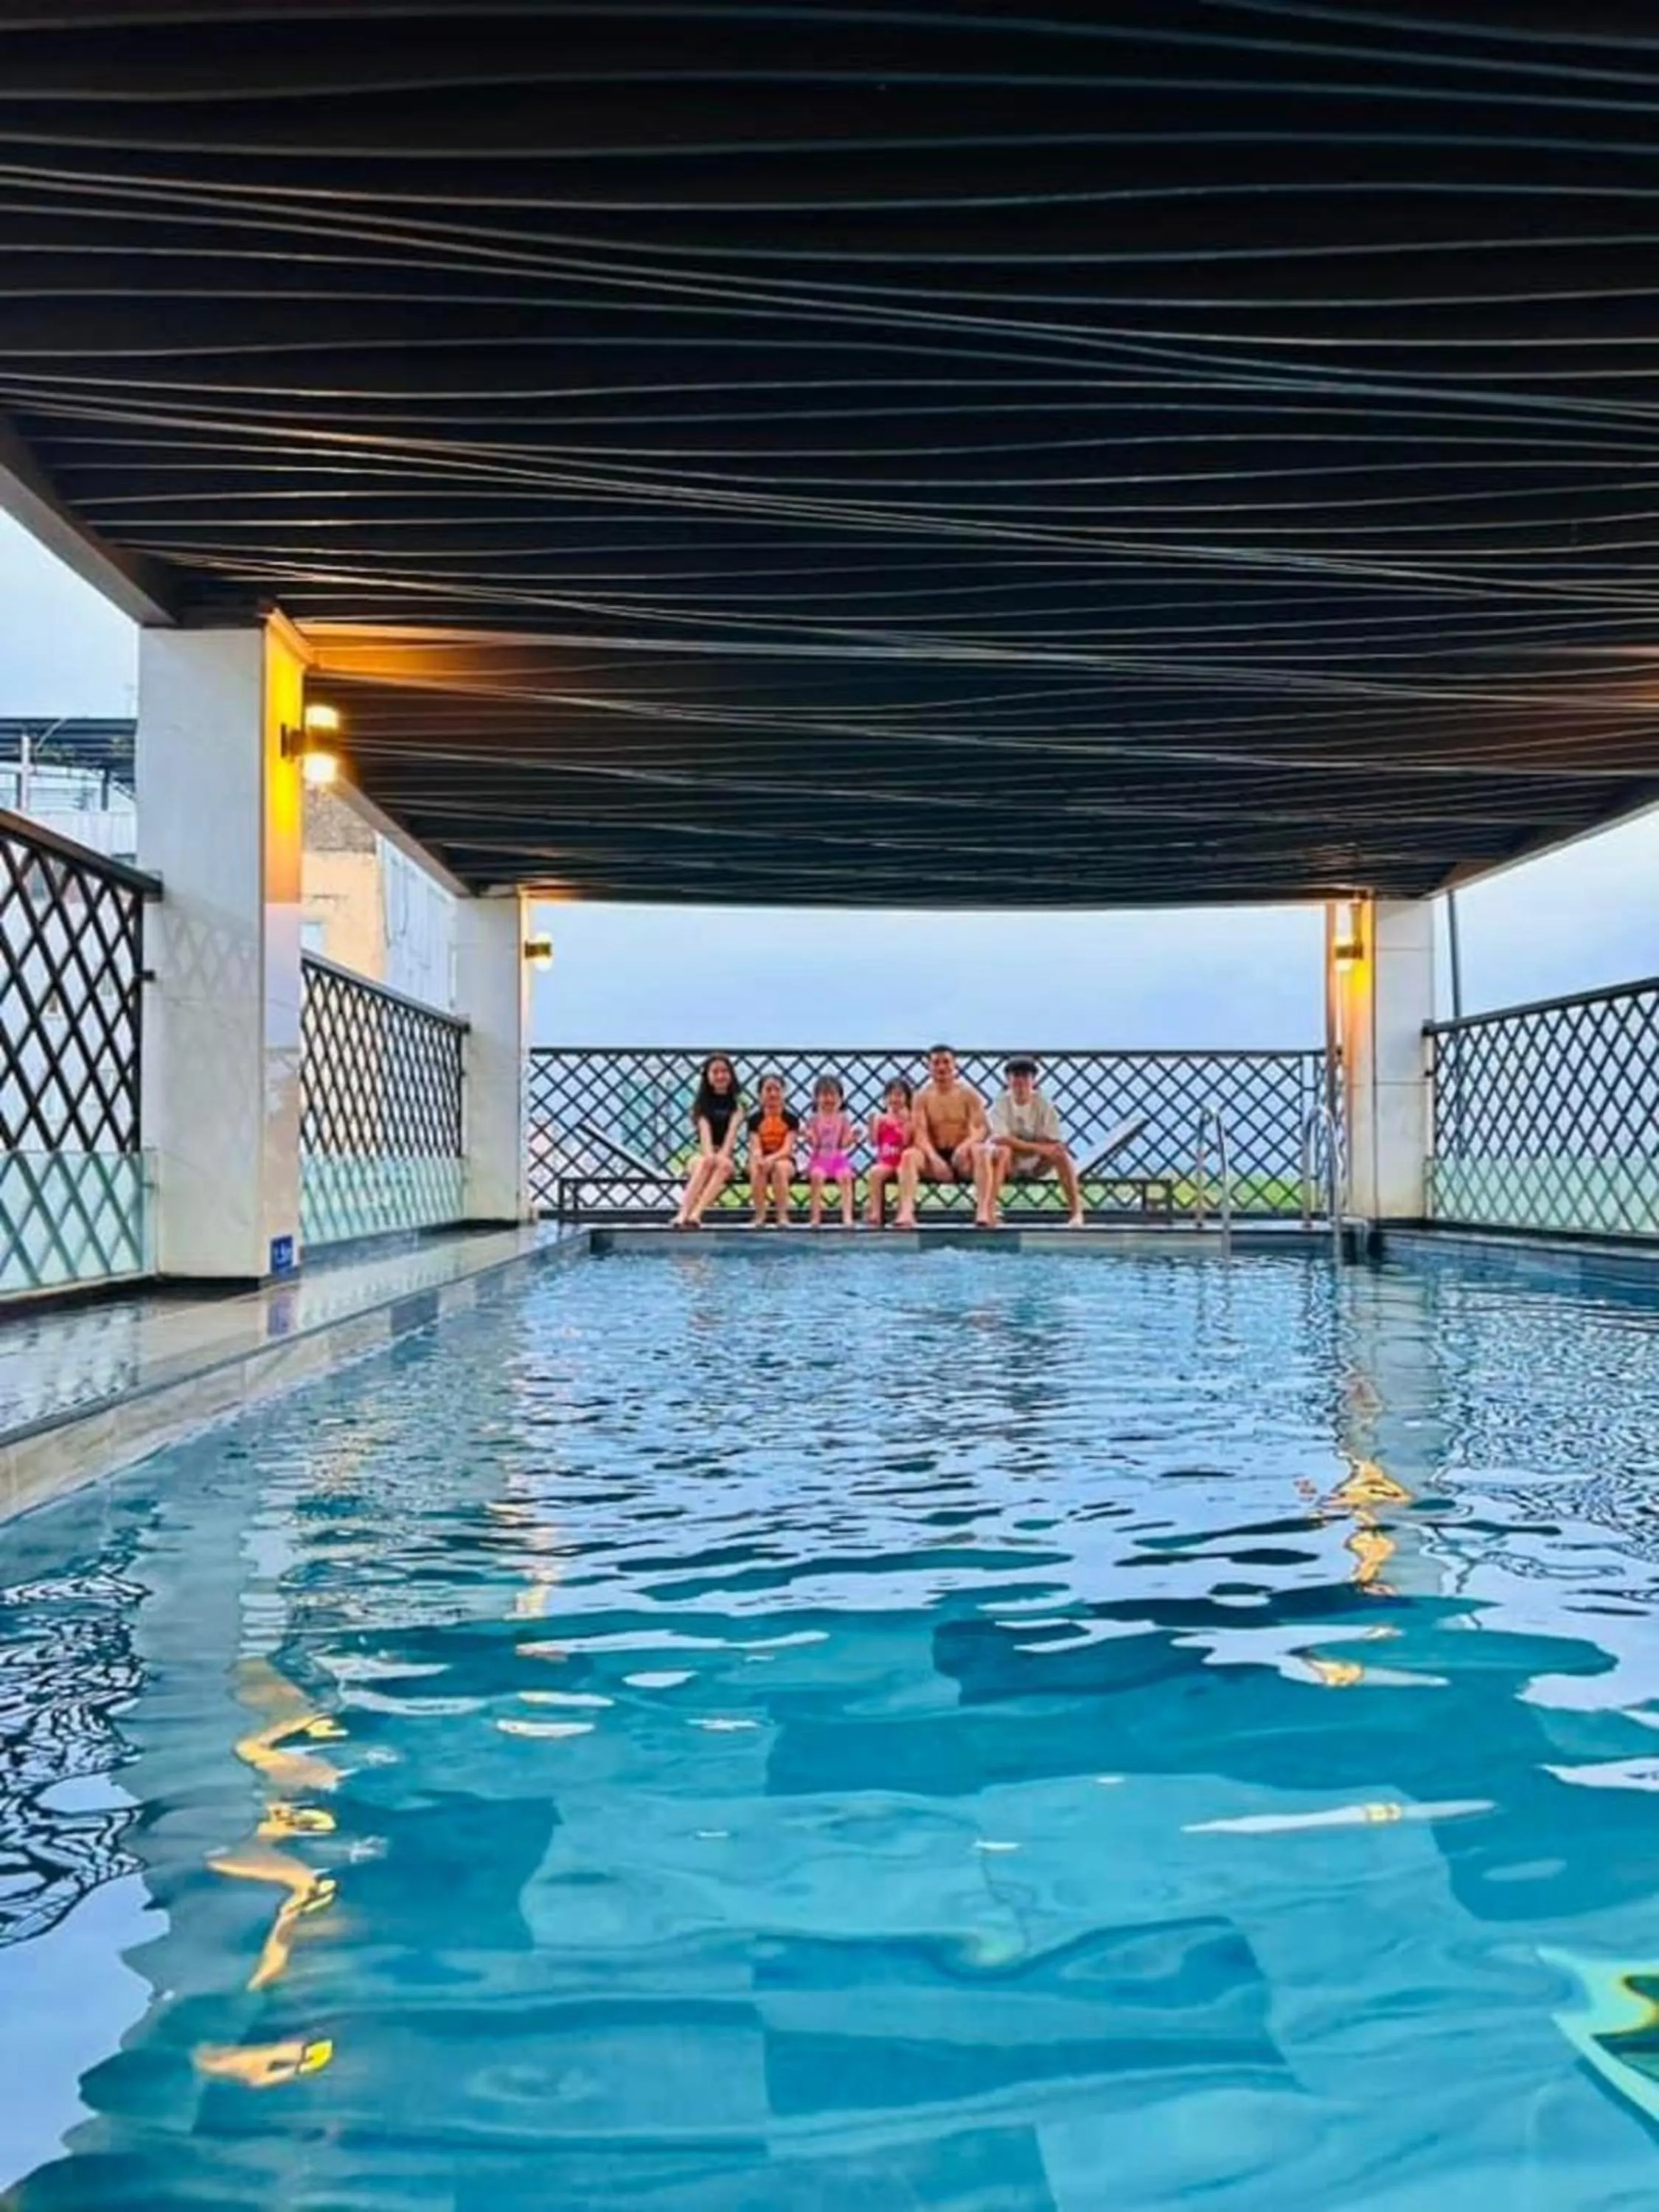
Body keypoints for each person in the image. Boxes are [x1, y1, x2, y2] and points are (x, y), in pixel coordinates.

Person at [985, 1055, 1086, 1228]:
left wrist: (1018, 1143)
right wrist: (1035, 1146)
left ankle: (1077, 1213)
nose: (1020, 1082)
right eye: (1016, 1076)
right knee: (1002, 1151)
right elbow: (999, 1138)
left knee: (1061, 1154)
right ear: (1008, 1080)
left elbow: (1053, 1141)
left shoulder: (1044, 1103)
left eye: (1025, 1077)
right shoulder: (1001, 1103)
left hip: (1038, 1162)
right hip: (1011, 1162)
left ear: (1033, 1080)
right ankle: (990, 1210)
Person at [894, 1045, 989, 1228]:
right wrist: (934, 1158)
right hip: (934, 1154)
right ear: (929, 1067)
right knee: (908, 1157)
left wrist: (965, 1147)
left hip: (962, 1157)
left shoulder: (968, 1094)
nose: (941, 1067)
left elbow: (982, 1129)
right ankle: (906, 1212)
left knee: (982, 1151)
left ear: (956, 1066)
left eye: (946, 1062)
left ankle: (983, 1211)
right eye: (936, 1063)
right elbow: (920, 1133)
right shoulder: (922, 1097)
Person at [673, 1053, 742, 1228]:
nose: (720, 1076)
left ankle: (697, 1214)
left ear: (731, 1074)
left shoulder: (739, 1103)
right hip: (702, 1153)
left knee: (724, 1165)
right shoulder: (701, 1105)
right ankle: (683, 1214)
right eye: (715, 1072)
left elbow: (732, 1133)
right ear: (708, 1076)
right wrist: (710, 1154)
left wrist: (723, 1154)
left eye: (724, 1071)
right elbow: (704, 1132)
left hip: (727, 1155)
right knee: (706, 1162)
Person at [803, 1074, 859, 1228]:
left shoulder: (843, 1119)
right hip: (819, 1159)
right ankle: (815, 1216)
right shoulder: (814, 1119)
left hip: (838, 1159)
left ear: (841, 1098)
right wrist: (808, 1136)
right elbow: (815, 1144)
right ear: (816, 1098)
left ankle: (847, 1216)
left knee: (846, 1177)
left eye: (833, 1095)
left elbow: (843, 1144)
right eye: (824, 1095)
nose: (829, 1099)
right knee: (816, 1177)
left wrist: (853, 1138)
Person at [745, 1071, 799, 1227]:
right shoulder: (755, 1119)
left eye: (777, 1090)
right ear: (760, 1094)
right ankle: (760, 1214)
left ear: (784, 1093)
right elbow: (755, 1146)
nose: (773, 1094)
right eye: (768, 1090)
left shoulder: (791, 1119)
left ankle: (782, 1215)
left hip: (784, 1159)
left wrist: (772, 1159)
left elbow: (787, 1149)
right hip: (761, 1158)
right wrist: (760, 1159)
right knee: (757, 1168)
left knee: (780, 1168)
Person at [865, 1077, 913, 1227]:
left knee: (903, 1174)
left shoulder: (910, 1118)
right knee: (875, 1173)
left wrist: (904, 1124)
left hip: (903, 1161)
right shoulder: (882, 1119)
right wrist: (872, 1126)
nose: (894, 1099)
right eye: (891, 1096)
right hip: (886, 1161)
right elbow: (873, 1142)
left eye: (899, 1095)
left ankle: (903, 1212)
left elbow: (907, 1142)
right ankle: (875, 1211)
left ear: (906, 1098)